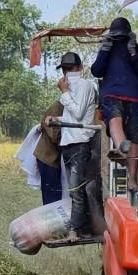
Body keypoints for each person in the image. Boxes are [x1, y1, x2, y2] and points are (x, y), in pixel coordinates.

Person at [49, 51, 101, 240]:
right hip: (68, 143)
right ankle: (85, 228)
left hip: (80, 144)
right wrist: (57, 119)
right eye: (65, 69)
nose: (68, 72)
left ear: (80, 69)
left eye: (71, 69)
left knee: (75, 189)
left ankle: (74, 230)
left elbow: (78, 114)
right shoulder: (70, 88)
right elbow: (72, 116)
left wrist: (63, 93)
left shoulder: (85, 85)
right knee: (75, 190)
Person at [91, 16, 138, 191]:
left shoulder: (108, 49)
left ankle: (121, 145)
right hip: (134, 95)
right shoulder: (135, 48)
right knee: (133, 131)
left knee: (115, 119)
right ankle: (132, 179)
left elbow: (96, 71)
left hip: (112, 93)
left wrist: (105, 49)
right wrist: (132, 52)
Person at [34, 100, 63, 204]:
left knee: (53, 194)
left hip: (51, 157)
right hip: (48, 157)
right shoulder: (59, 106)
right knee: (52, 197)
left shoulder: (63, 106)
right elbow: (54, 134)